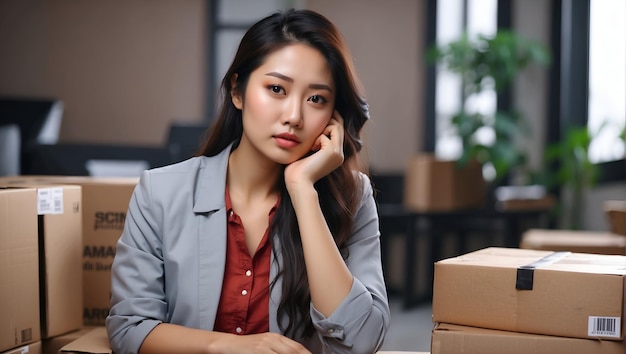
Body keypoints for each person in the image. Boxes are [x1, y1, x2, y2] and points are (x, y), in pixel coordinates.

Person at [106, 8, 390, 354]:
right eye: (276, 89)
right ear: (237, 92)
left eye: (316, 99)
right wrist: (227, 346)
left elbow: (362, 342)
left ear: (334, 115)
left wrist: (303, 191)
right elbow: (129, 329)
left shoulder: (352, 196)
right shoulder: (160, 193)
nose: (294, 116)